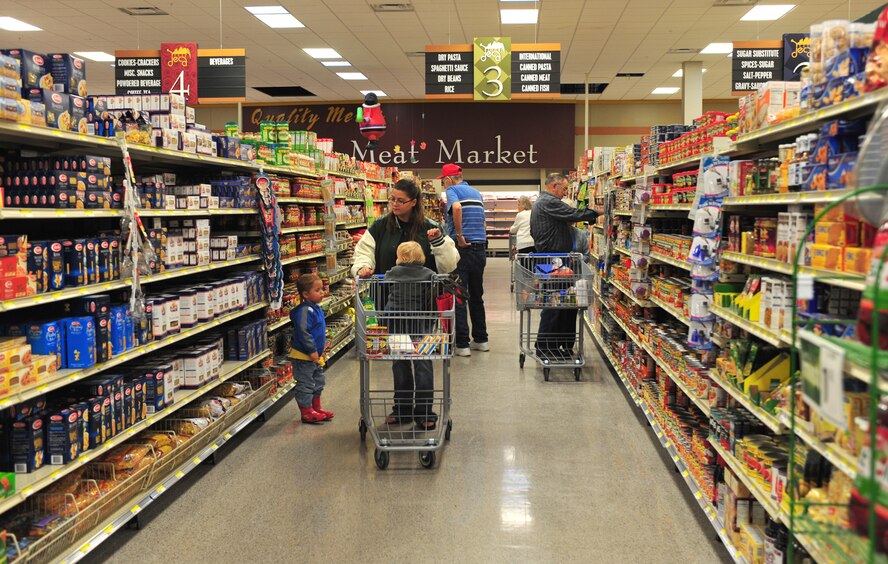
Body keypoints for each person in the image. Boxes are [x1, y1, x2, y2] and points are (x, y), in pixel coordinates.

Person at [352, 178, 459, 430]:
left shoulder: (431, 227)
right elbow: (363, 253)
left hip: (423, 308)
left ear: (414, 202)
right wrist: (363, 267)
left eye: (400, 200)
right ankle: (401, 409)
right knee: (398, 357)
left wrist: (438, 242)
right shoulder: (380, 227)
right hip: (391, 307)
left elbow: (449, 265)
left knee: (422, 359)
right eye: (392, 199)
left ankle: (424, 411)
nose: (394, 204)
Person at [530, 173, 600, 360]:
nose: (565, 192)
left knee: (559, 306)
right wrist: (597, 212)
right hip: (552, 262)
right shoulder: (548, 201)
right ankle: (544, 348)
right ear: (554, 186)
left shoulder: (542, 203)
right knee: (553, 307)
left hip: (552, 262)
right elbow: (573, 214)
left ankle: (552, 346)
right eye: (564, 188)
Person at [383, 242, 438, 426]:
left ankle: (402, 410)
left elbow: (384, 281)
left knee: (400, 363)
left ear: (401, 258)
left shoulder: (393, 272)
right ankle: (425, 414)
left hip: (396, 324)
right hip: (420, 325)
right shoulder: (429, 274)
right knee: (423, 364)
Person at [440, 163, 488, 357]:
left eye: (443, 181)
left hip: (462, 249)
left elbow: (457, 207)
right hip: (480, 248)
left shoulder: (453, 190)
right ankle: (481, 340)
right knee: (476, 296)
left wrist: (459, 235)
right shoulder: (476, 192)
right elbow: (483, 221)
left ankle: (462, 344)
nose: (444, 185)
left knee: (459, 295)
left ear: (449, 179)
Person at [289, 273, 334, 424]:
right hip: (304, 356)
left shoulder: (316, 308)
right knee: (306, 383)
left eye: (322, 289)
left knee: (318, 381)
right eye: (317, 290)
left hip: (315, 355)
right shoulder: (304, 311)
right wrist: (312, 350)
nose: (322, 292)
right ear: (306, 294)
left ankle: (316, 407)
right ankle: (306, 411)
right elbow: (303, 332)